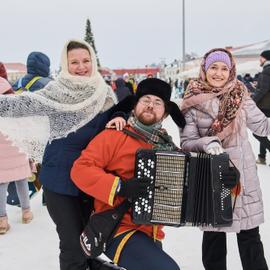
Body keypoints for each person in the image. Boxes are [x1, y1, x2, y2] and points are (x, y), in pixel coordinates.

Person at [0, 39, 133, 270]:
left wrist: (120, 114)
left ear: (93, 61)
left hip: (91, 183)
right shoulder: (56, 92)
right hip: (60, 183)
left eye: (85, 61)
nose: (81, 67)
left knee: (88, 242)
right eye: (74, 62)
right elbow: (24, 104)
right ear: (65, 64)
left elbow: (120, 116)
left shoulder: (104, 94)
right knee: (72, 246)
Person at [71, 78, 186, 270]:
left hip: (151, 232)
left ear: (165, 113)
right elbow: (80, 170)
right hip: (118, 228)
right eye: (146, 100)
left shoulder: (167, 146)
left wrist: (225, 180)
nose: (151, 105)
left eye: (158, 103)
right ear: (134, 106)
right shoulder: (115, 135)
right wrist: (120, 187)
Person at [180, 48, 269, 270]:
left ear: (231, 71)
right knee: (213, 240)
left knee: (250, 238)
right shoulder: (193, 100)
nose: (218, 73)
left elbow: (262, 125)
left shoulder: (240, 94)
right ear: (205, 69)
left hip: (243, 176)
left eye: (224, 68)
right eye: (214, 67)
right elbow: (187, 141)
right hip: (211, 173)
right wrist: (209, 144)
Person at [0, 78, 33, 234]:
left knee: (1, 185)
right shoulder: (17, 104)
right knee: (21, 180)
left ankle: (2, 220)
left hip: (2, 156)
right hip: (18, 150)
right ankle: (26, 212)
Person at [252, 50, 270, 165]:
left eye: (261, 57)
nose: (260, 59)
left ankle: (262, 157)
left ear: (265, 58)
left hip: (265, 106)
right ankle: (262, 157)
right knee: (262, 131)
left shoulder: (266, 71)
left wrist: (251, 101)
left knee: (257, 132)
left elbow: (263, 90)